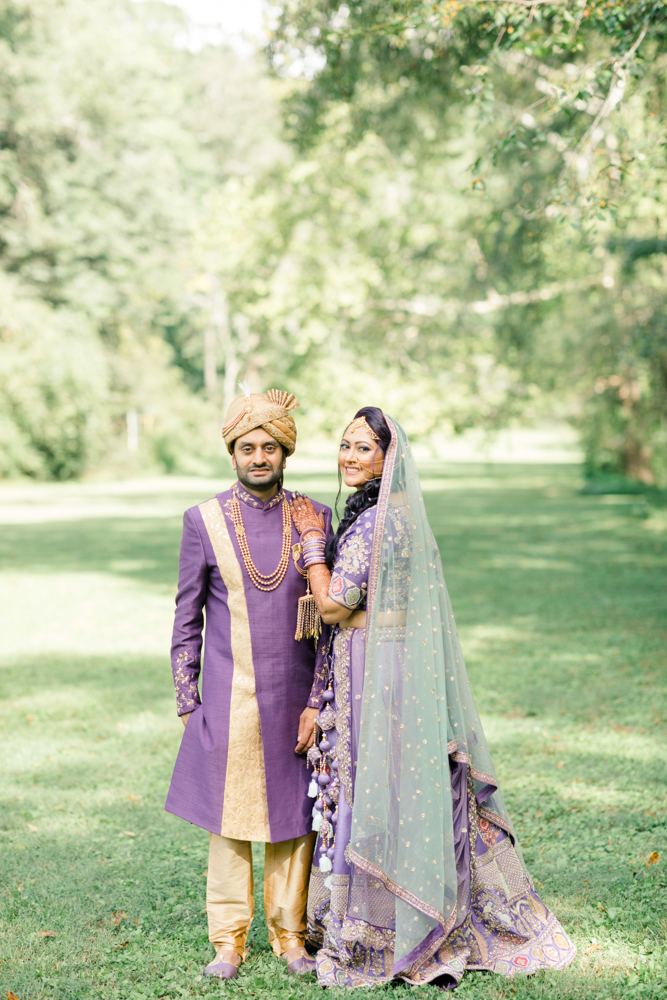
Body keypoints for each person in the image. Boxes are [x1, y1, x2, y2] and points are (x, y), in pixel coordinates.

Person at [290, 406, 576, 988]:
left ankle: (389, 934)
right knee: (399, 791)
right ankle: (398, 920)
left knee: (382, 792)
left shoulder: (375, 524)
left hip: (380, 674)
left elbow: (335, 607)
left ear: (387, 458)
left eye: (363, 447)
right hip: (383, 666)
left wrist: (314, 547)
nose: (349, 456)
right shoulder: (393, 516)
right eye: (344, 444)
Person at [165, 387, 331, 980]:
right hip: (229, 698)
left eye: (269, 447)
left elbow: (328, 625)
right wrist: (190, 703)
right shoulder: (202, 521)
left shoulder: (314, 517)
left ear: (286, 453)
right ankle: (228, 942)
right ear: (231, 453)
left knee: (295, 816)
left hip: (298, 699)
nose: (259, 457)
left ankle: (291, 937)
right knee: (230, 821)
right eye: (247, 447)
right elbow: (187, 618)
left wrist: (319, 701)